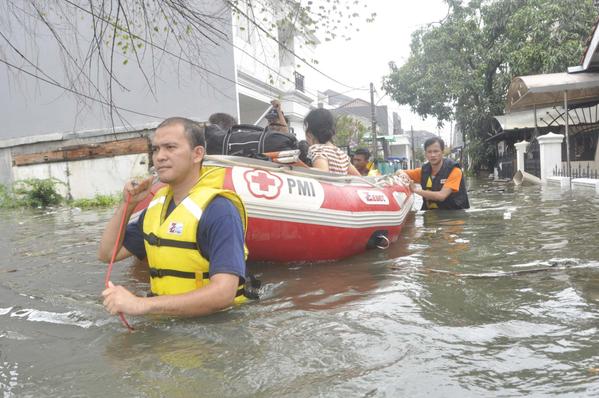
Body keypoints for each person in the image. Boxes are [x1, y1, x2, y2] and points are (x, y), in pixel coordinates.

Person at [98, 117, 256, 318]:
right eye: (156, 149)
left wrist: (142, 304)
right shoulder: (157, 208)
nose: (160, 157)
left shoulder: (219, 211)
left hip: (216, 327)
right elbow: (107, 253)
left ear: (197, 154)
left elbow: (224, 294)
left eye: (170, 147)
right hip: (167, 321)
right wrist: (127, 205)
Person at [398, 137, 469, 210]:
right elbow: (399, 172)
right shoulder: (422, 172)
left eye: (436, 151)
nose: (432, 155)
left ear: (442, 152)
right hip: (431, 216)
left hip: (453, 216)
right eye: (429, 152)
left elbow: (441, 196)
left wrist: (416, 190)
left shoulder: (455, 171)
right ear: (425, 154)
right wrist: (403, 177)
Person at [304, 108, 360, 176]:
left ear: (309, 133)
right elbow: (359, 178)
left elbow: (323, 175)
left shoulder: (317, 149)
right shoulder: (341, 154)